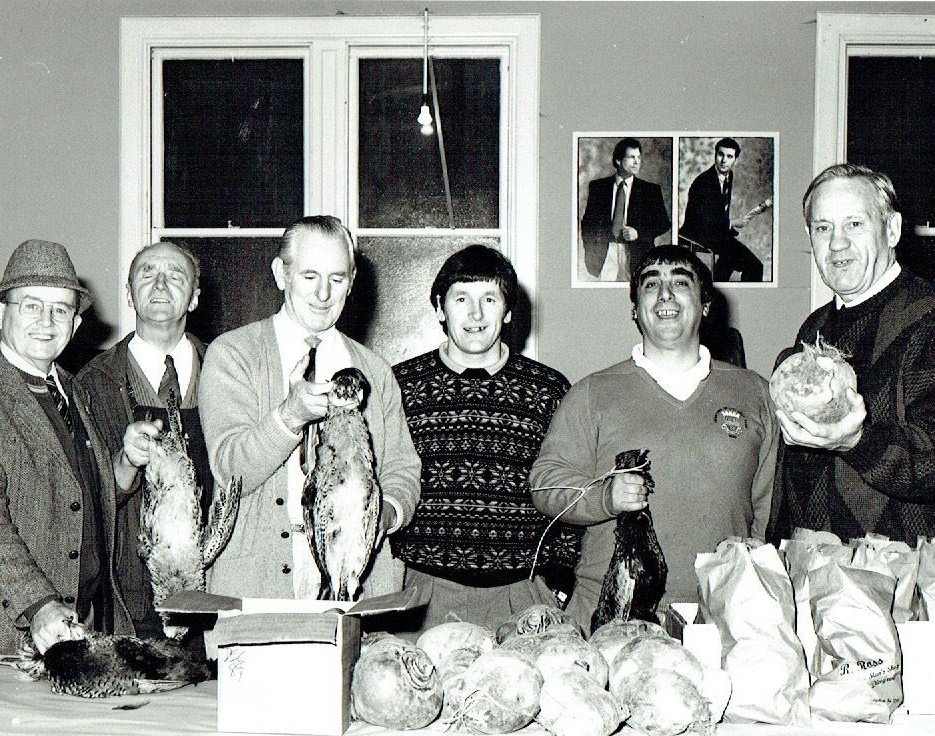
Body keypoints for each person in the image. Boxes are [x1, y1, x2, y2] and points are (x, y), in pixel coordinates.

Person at [530, 244, 777, 631]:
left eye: (681, 282)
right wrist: (603, 497)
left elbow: (770, 507)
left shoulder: (755, 393)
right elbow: (545, 485)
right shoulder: (593, 393)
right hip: (613, 617)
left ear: (706, 304)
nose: (665, 294)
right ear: (634, 309)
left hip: (725, 620)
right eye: (651, 285)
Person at [199, 215, 421, 600]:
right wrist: (290, 416)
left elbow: (403, 468)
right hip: (255, 585)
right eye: (309, 276)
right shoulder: (232, 354)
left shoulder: (375, 371)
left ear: (352, 282)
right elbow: (230, 468)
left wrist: (381, 517)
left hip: (359, 588)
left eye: (336, 279)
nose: (323, 294)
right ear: (280, 274)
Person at [390, 244, 580, 632]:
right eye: (461, 298)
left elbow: (571, 490)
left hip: (522, 595)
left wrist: (557, 582)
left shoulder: (550, 390)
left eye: (489, 298)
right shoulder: (397, 386)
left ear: (508, 311)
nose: (475, 314)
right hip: (421, 595)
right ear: (441, 310)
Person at [0, 239, 139, 658]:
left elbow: (73, 500)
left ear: (75, 324)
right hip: (8, 638)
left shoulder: (73, 390)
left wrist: (125, 464)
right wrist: (40, 604)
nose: (47, 321)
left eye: (60, 309)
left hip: (85, 626)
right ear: (0, 312)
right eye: (31, 306)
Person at [767, 164, 935, 545]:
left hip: (898, 578)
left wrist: (855, 441)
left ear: (891, 230)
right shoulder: (815, 328)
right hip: (813, 566)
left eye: (854, 225)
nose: (837, 243)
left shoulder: (927, 317)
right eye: (823, 228)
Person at [78, 241, 208, 638]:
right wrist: (123, 463)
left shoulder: (228, 371)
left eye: (175, 275)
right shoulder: (90, 384)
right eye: (147, 274)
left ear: (195, 297)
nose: (160, 284)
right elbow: (82, 503)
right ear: (130, 292)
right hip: (127, 594)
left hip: (215, 585)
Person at [581, 137, 671, 281]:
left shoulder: (650, 190)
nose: (637, 161)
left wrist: (639, 233)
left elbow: (664, 224)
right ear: (618, 160)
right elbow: (587, 224)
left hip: (636, 255)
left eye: (639, 157)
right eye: (631, 157)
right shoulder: (598, 187)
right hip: (606, 254)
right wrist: (590, 251)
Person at [679, 137, 764, 282]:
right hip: (697, 234)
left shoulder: (728, 175)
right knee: (755, 267)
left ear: (735, 160)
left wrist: (728, 228)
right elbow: (703, 221)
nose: (724, 160)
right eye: (721, 155)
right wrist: (731, 223)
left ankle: (715, 286)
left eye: (729, 156)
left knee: (729, 262)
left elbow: (718, 212)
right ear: (715, 155)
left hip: (717, 235)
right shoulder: (703, 183)